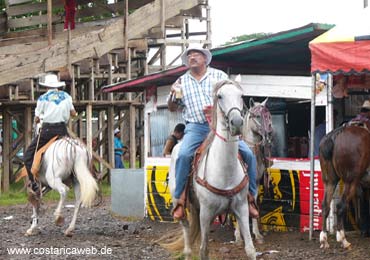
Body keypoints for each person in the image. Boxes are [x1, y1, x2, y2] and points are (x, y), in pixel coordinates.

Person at [167, 46, 258, 220]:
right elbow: (172, 108)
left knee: (248, 154)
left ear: (205, 59)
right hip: (195, 126)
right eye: (189, 55)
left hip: (219, 127)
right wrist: (172, 96)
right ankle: (180, 199)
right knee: (184, 155)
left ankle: (250, 197)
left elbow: (233, 96)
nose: (192, 57)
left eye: (196, 54)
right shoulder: (181, 81)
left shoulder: (220, 76)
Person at [24, 73, 77, 193]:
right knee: (75, 149)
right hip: (62, 131)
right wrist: (71, 114)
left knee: (28, 156)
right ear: (57, 86)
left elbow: (37, 118)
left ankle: (34, 183)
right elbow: (73, 113)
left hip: (47, 131)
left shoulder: (43, 98)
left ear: (46, 87)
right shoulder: (66, 96)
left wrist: (36, 120)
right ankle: (79, 175)